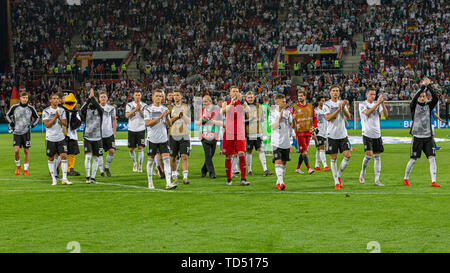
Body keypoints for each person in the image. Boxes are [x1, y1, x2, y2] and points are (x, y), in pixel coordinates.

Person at [403, 78, 440, 187]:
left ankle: (433, 181)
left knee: (432, 158)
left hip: (428, 137)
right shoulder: (414, 106)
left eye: (424, 96)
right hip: (417, 137)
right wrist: (423, 87)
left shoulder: (429, 106)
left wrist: (429, 86)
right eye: (421, 96)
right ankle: (406, 178)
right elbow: (414, 99)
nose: (422, 98)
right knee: (413, 159)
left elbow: (436, 98)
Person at [144, 89, 177, 190]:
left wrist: (166, 117)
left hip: (163, 138)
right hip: (152, 139)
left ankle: (168, 183)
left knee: (166, 161)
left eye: (160, 96)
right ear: (153, 97)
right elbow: (148, 123)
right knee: (150, 162)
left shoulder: (165, 108)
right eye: (157, 96)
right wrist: (160, 117)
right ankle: (150, 182)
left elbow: (169, 124)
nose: (159, 98)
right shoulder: (147, 109)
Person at [358, 89, 389, 186]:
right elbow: (367, 113)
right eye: (371, 94)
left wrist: (382, 104)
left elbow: (385, 115)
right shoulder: (362, 104)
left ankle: (376, 180)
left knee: (377, 157)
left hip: (377, 134)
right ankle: (363, 172)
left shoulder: (378, 104)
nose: (373, 96)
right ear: (366, 95)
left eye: (374, 94)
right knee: (368, 156)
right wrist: (378, 104)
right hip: (367, 133)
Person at [324, 85, 351, 189]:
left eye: (337, 91)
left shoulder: (342, 103)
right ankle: (336, 182)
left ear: (339, 93)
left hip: (342, 134)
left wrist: (343, 108)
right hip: (331, 134)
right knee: (333, 158)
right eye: (333, 91)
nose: (335, 92)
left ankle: (338, 175)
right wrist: (338, 109)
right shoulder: (327, 104)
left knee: (347, 156)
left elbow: (348, 116)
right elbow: (328, 118)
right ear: (330, 93)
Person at [221, 86, 250, 186]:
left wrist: (242, 102)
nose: (235, 93)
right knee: (228, 155)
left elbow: (249, 111)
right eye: (233, 91)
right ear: (230, 93)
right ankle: (229, 179)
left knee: (241, 154)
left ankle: (243, 179)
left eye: (237, 91)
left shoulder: (242, 103)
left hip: (240, 132)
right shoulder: (226, 103)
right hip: (229, 132)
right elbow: (222, 111)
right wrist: (232, 103)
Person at [6, 91, 39, 175]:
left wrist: (33, 125)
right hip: (16, 132)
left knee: (26, 150)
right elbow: (7, 115)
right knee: (16, 150)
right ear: (20, 98)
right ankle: (18, 166)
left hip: (26, 132)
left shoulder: (31, 108)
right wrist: (11, 122)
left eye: (26, 98)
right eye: (24, 98)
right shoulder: (14, 107)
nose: (25, 99)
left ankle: (25, 170)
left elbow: (37, 117)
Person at [42, 93, 71, 185]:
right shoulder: (46, 111)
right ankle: (53, 178)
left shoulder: (62, 110)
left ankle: (64, 178)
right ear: (50, 100)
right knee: (51, 158)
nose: (56, 100)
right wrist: (55, 117)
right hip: (50, 138)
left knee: (63, 156)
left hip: (60, 137)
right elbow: (47, 125)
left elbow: (65, 124)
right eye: (54, 98)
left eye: (57, 99)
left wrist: (59, 118)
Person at [244, 91, 272, 176]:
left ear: (254, 97)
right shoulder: (243, 107)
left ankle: (265, 169)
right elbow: (242, 121)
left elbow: (263, 119)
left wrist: (260, 120)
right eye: (249, 97)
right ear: (246, 98)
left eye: (252, 97)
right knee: (249, 151)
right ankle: (249, 170)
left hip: (258, 133)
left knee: (261, 150)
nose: (250, 99)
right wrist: (250, 120)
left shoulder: (259, 106)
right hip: (249, 133)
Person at [269, 94, 293, 191]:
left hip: (286, 141)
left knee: (283, 163)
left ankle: (278, 182)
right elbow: (272, 126)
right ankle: (282, 182)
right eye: (283, 101)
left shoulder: (287, 113)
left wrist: (293, 118)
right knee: (277, 161)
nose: (284, 103)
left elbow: (292, 124)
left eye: (285, 101)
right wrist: (279, 118)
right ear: (277, 102)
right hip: (276, 141)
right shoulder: (272, 113)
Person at [80, 88, 104, 184]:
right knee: (88, 157)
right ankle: (87, 177)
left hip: (98, 137)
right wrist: (88, 99)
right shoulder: (86, 110)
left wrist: (92, 97)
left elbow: (98, 107)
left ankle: (93, 178)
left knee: (96, 158)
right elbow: (81, 111)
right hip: (87, 137)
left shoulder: (101, 110)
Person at [169, 89, 191, 184]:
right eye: (174, 95)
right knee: (173, 157)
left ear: (181, 96)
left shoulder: (186, 107)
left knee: (184, 156)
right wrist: (177, 116)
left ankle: (185, 177)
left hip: (184, 135)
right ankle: (174, 175)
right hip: (173, 134)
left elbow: (189, 121)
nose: (176, 97)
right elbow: (168, 122)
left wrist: (183, 115)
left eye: (178, 95)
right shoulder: (169, 108)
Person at [196, 95, 222, 178]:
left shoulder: (217, 111)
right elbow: (197, 122)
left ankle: (204, 169)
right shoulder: (201, 111)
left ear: (210, 101)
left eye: (206, 101)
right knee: (207, 154)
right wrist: (203, 120)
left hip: (214, 134)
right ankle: (212, 173)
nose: (204, 103)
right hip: (204, 134)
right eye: (203, 102)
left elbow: (221, 123)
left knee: (211, 155)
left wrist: (212, 121)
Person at [293, 88, 317, 175]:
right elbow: (291, 121)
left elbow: (314, 118)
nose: (299, 97)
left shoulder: (310, 106)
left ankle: (298, 168)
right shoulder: (294, 107)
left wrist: (314, 127)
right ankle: (309, 168)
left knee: (304, 151)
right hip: (299, 132)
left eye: (301, 96)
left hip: (308, 131)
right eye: (298, 96)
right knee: (304, 151)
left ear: (305, 97)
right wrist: (293, 120)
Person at [125, 90, 147, 172]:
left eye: (139, 95)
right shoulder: (129, 105)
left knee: (140, 147)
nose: (137, 96)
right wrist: (135, 109)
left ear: (141, 96)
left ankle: (140, 166)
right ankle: (135, 163)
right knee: (131, 149)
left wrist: (140, 109)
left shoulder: (144, 105)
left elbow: (146, 116)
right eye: (136, 95)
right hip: (131, 129)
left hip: (141, 129)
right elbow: (127, 115)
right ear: (133, 96)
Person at [62, 92, 82, 176]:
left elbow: (78, 123)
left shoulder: (75, 112)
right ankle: (56, 169)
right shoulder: (61, 110)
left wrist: (74, 114)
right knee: (60, 152)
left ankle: (70, 169)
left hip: (72, 135)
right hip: (62, 135)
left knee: (72, 152)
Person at [98, 91, 117, 177]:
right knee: (100, 153)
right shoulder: (96, 108)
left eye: (104, 97)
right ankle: (101, 171)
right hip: (99, 134)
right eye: (101, 97)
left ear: (107, 98)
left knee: (112, 151)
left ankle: (106, 167)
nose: (103, 98)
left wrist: (114, 132)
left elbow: (114, 119)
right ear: (99, 98)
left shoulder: (111, 108)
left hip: (109, 133)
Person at [313, 96, 329, 171]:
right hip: (318, 132)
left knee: (319, 149)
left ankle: (316, 165)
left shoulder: (326, 110)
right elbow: (312, 121)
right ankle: (325, 165)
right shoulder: (315, 111)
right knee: (321, 147)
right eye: (322, 101)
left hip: (325, 132)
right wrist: (312, 133)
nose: (323, 102)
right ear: (318, 102)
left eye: (324, 101)